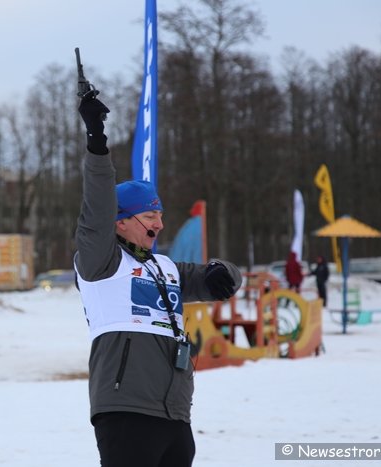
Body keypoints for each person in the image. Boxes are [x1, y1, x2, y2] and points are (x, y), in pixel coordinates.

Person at [74, 91, 243, 467]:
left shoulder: (166, 267)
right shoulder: (100, 261)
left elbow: (228, 278)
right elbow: (96, 207)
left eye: (160, 215)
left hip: (174, 411)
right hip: (125, 407)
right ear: (120, 221)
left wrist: (223, 272)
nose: (159, 224)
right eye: (150, 217)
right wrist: (96, 141)